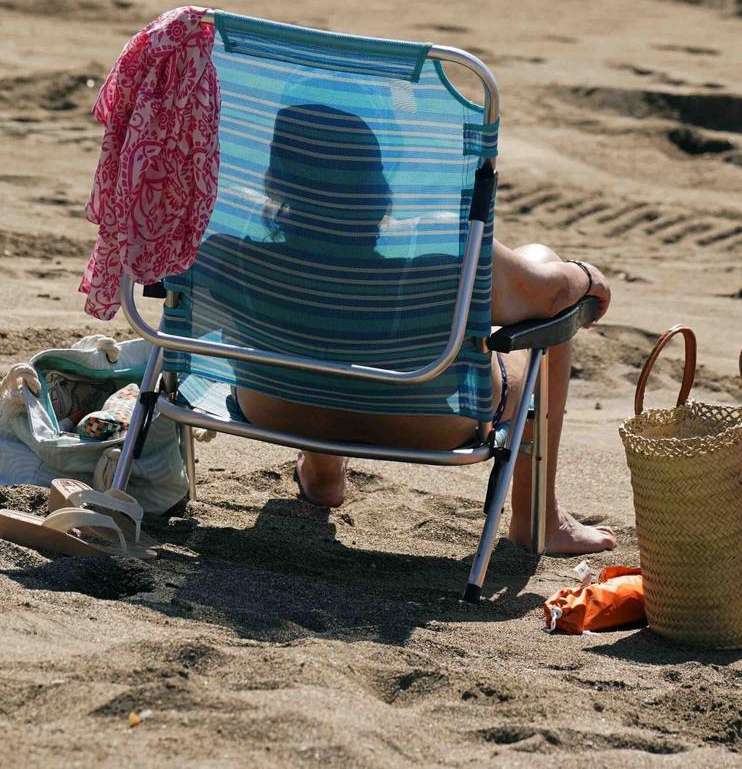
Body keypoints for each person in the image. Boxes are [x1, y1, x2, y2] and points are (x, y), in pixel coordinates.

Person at [208, 103, 617, 556]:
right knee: (539, 262)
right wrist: (584, 274)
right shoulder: (450, 257)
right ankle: (538, 517)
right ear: (382, 188)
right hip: (426, 422)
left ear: (273, 183)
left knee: (321, 336)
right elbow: (552, 298)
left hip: (278, 409)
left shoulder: (230, 256)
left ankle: (322, 477)